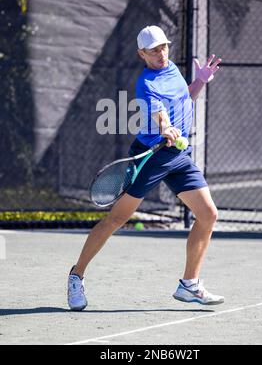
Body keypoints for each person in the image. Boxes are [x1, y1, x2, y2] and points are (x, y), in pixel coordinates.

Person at [67, 25, 224, 311]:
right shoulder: (147, 83)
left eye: (164, 47)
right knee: (116, 220)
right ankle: (76, 275)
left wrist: (200, 82)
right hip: (150, 157)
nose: (161, 53)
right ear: (142, 54)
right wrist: (167, 129)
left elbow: (184, 98)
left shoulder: (172, 68)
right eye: (154, 50)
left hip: (178, 156)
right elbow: (161, 116)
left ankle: (189, 284)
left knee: (208, 214)